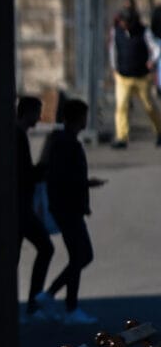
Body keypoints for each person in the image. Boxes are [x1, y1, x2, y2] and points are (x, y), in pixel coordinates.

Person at [36, 99, 105, 325]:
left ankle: (65, 305)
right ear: (79, 118)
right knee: (83, 255)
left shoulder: (60, 140)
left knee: (78, 256)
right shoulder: (68, 144)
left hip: (65, 206)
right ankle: (55, 298)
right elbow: (67, 179)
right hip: (68, 208)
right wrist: (86, 187)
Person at [16, 96, 54, 322]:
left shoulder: (18, 135)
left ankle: (29, 303)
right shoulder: (18, 137)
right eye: (37, 113)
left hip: (20, 205)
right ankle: (32, 302)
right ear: (27, 112)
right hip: (19, 206)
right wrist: (45, 164)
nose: (39, 119)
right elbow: (24, 174)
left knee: (14, 255)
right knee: (45, 248)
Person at [109, 0, 161, 148]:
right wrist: (114, 68)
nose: (124, 25)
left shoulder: (143, 32)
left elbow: (156, 48)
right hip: (123, 75)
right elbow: (113, 50)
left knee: (149, 106)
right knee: (121, 106)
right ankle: (121, 137)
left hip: (141, 76)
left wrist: (152, 60)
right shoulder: (116, 32)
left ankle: (159, 131)